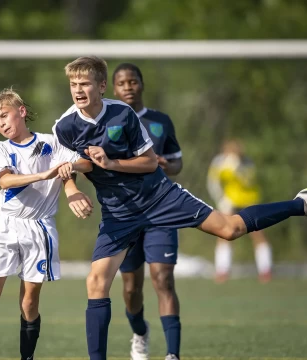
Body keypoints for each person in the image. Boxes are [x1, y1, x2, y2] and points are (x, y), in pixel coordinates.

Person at [53, 56, 307, 360]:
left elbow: (147, 162)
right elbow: (67, 168)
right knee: (96, 282)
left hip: (159, 196)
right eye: (73, 84)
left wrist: (110, 162)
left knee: (230, 229)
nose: (78, 90)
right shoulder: (64, 126)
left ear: (101, 86)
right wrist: (72, 189)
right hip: (119, 213)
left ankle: (300, 203)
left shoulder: (123, 113)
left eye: (85, 84)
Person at [0, 88, 93, 360]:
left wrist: (71, 185)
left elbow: (80, 165)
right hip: (7, 226)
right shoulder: (0, 148)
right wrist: (44, 174)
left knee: (30, 301)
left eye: (5, 116)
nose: (2, 124)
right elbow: (5, 180)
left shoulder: (51, 142)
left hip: (39, 228)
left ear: (21, 112)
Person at [112, 63, 183, 360]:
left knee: (163, 279)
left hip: (161, 211)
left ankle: (172, 354)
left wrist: (168, 164)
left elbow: (178, 164)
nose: (128, 86)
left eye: (133, 81)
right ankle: (140, 332)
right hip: (125, 215)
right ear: (113, 89)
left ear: (141, 84)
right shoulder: (109, 121)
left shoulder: (160, 121)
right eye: (122, 83)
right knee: (131, 289)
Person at [207, 140, 272, 283]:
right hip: (230, 201)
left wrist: (237, 169)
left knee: (258, 234)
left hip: (249, 200)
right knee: (224, 233)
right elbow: (213, 182)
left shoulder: (247, 162)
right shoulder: (219, 162)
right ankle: (222, 270)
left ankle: (265, 270)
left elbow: (249, 182)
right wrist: (221, 198)